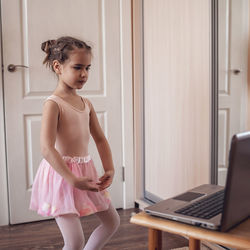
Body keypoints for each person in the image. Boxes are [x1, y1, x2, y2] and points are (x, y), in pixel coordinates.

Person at [29, 36, 120, 250]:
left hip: (85, 171)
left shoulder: (85, 103)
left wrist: (109, 168)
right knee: (74, 241)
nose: (84, 74)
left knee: (112, 222)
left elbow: (99, 138)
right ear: (58, 67)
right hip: (61, 176)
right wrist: (71, 179)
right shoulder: (53, 104)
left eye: (88, 68)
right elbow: (46, 148)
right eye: (78, 67)